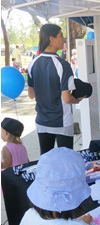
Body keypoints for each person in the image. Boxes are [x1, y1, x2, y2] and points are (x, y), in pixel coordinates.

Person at [27, 24, 82, 155]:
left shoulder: (33, 63)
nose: (63, 39)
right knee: (67, 160)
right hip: (61, 121)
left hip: (42, 121)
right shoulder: (63, 65)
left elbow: (31, 94)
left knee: (46, 159)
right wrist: (78, 99)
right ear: (52, 38)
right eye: (61, 35)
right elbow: (67, 98)